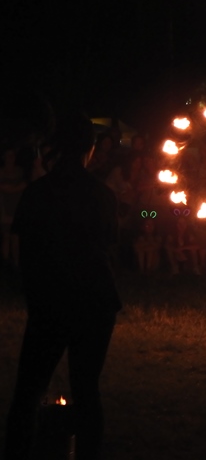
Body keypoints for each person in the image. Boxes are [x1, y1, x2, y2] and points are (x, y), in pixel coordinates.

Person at [4, 112, 120, 460]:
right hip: (94, 300)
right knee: (86, 389)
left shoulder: (38, 193)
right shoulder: (102, 194)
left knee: (29, 390)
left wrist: (34, 296)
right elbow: (107, 246)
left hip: (52, 299)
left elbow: (24, 254)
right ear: (90, 148)